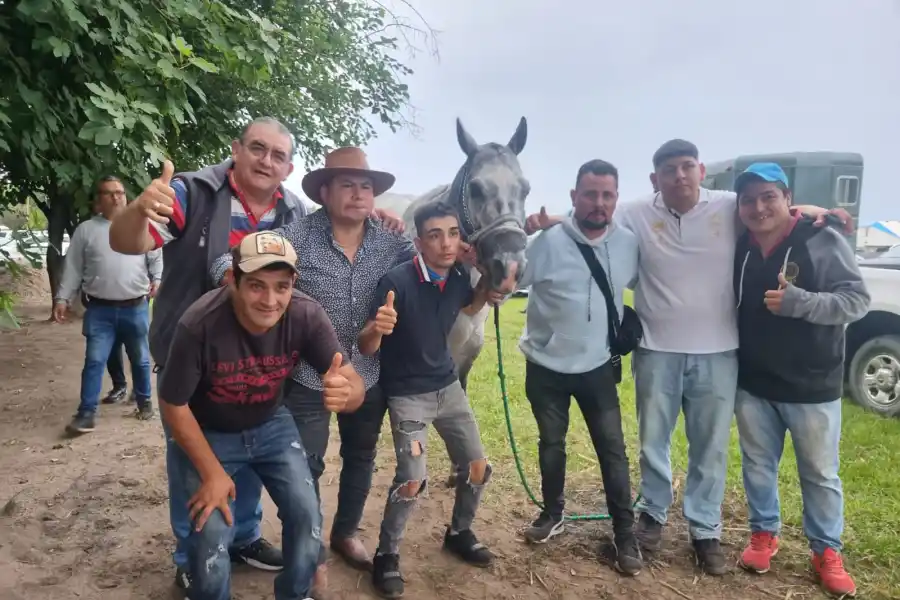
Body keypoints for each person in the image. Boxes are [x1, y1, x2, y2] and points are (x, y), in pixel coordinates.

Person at [524, 139, 854, 575]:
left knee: (710, 448)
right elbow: (590, 214)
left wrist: (814, 210)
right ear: (653, 179)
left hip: (718, 350)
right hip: (657, 349)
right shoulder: (635, 212)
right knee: (653, 444)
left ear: (700, 170)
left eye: (686, 167)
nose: (678, 176)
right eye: (668, 170)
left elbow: (772, 207)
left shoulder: (728, 207)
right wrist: (542, 222)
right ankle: (652, 517)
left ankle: (705, 530)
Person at [109, 118, 311, 590]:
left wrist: (379, 220)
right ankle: (189, 554)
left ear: (289, 167)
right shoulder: (191, 191)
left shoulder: (295, 213)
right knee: (191, 464)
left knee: (253, 449)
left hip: (257, 364)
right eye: (257, 149)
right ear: (236, 150)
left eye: (278, 155)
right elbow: (127, 241)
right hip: (191, 358)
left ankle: (243, 537)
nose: (266, 160)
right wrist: (139, 210)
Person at [207, 146, 414, 597]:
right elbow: (229, 261)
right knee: (306, 469)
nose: (358, 195)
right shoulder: (296, 234)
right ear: (325, 191)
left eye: (366, 187)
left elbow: (432, 263)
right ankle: (312, 553)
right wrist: (244, 289)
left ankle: (345, 532)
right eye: (347, 185)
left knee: (361, 458)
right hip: (305, 375)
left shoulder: (391, 241)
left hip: (367, 370)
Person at [158, 230, 365, 600]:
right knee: (211, 534)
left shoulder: (306, 313)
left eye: (281, 287)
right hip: (208, 430)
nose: (270, 300)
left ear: (293, 284)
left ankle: (296, 593)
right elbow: (173, 404)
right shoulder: (199, 323)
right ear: (233, 280)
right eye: (256, 286)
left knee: (307, 515)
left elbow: (351, 381)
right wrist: (212, 472)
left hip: (271, 423)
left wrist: (347, 392)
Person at [358, 201, 509, 598]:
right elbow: (367, 346)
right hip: (409, 397)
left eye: (453, 234)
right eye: (435, 235)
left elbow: (469, 305)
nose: (446, 243)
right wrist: (377, 327)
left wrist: (481, 284)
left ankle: (459, 532)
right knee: (412, 480)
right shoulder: (396, 281)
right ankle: (386, 556)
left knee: (478, 467)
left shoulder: (458, 276)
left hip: (449, 389)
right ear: (419, 240)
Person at [731, 163, 868, 597]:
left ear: (787, 198)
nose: (758, 207)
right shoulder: (740, 243)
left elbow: (857, 300)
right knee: (757, 465)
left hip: (812, 384)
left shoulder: (821, 238)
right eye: (749, 199)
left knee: (820, 473)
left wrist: (801, 303)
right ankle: (763, 533)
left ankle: (826, 549)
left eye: (768, 196)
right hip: (754, 382)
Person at [515, 160, 643, 575]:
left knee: (613, 451)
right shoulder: (547, 241)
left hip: (597, 368)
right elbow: (508, 279)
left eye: (607, 195)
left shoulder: (628, 243)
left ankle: (625, 535)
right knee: (551, 443)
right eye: (590, 194)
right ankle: (552, 515)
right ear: (574, 197)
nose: (599, 203)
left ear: (616, 199)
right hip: (546, 367)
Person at [53, 175, 158, 433]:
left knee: (142, 360)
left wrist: (158, 278)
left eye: (120, 192)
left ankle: (145, 403)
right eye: (109, 193)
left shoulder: (140, 223)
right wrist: (62, 298)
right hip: (100, 310)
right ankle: (86, 413)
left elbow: (155, 253)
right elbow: (74, 268)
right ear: (97, 201)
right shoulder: (86, 230)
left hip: (135, 306)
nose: (116, 197)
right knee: (94, 360)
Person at [103, 248, 161, 407]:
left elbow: (156, 256)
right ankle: (119, 385)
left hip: (137, 297)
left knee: (137, 349)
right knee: (111, 347)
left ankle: (139, 390)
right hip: (106, 299)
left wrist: (157, 279)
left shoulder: (143, 228)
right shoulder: (105, 229)